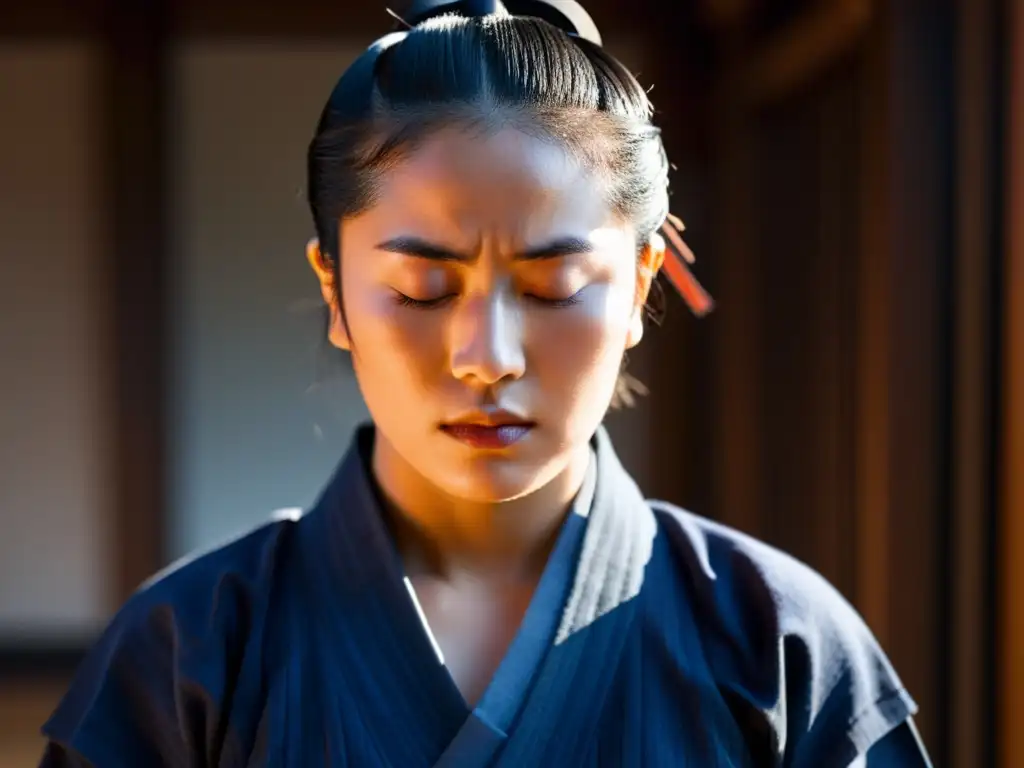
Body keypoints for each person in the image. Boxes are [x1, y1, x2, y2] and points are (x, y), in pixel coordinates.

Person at [39, 1, 932, 765]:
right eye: (422, 289)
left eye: (554, 288)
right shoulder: (188, 656)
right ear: (336, 293)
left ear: (640, 288)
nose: (488, 355)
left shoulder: (779, 648)